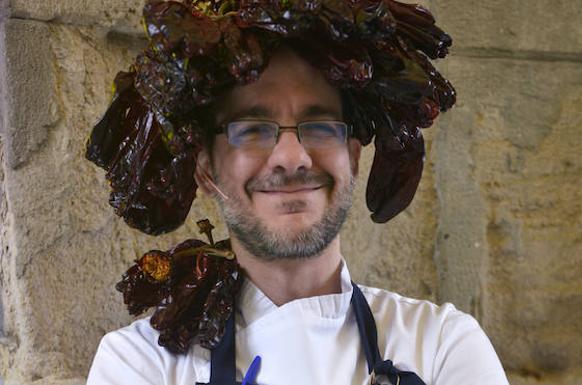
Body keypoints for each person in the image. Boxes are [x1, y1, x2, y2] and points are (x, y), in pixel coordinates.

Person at [85, 1, 509, 384]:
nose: (292, 156)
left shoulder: (441, 347)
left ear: (354, 158)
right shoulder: (139, 365)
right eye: (252, 129)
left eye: (320, 125)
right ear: (205, 170)